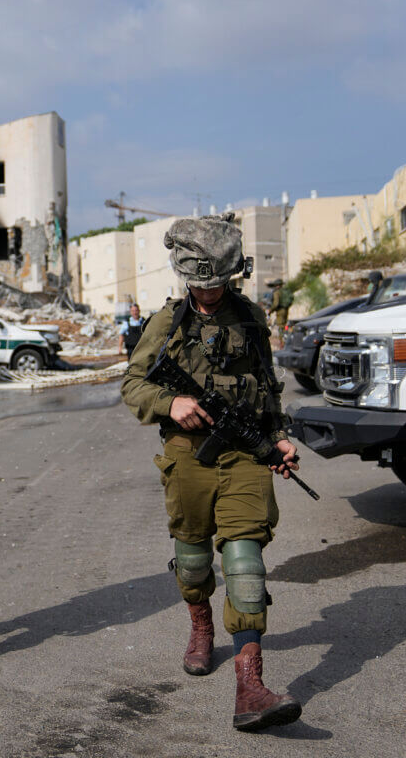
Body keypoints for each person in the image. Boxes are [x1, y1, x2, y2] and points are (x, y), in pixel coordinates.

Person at [120, 214, 303, 732]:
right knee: (194, 557)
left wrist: (279, 435)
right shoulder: (167, 322)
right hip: (187, 456)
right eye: (199, 283)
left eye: (216, 282)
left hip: (245, 454)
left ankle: (251, 684)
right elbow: (132, 385)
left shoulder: (250, 318)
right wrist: (171, 401)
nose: (208, 292)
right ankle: (200, 624)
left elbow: (266, 384)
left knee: (245, 561)